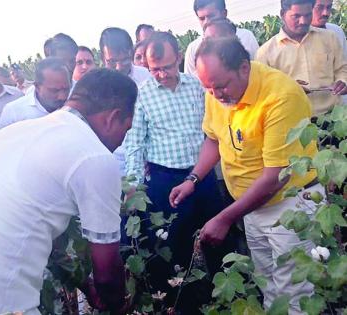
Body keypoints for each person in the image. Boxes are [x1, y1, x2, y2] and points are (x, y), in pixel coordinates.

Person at [0, 68, 138, 315]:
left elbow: (52, 241)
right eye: (127, 128)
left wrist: (85, 285)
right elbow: (107, 275)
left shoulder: (21, 131)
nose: (123, 140)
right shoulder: (94, 156)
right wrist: (118, 305)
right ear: (113, 117)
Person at [170, 37, 321, 314]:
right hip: (252, 205)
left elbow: (277, 177)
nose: (215, 94)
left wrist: (225, 217)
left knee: (295, 293)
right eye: (208, 87)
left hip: (290, 204)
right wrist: (192, 180)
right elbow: (214, 139)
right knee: (268, 283)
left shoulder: (280, 96)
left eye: (220, 86)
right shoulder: (217, 88)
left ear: (243, 67)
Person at [125, 31, 223, 313]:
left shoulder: (198, 87)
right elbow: (135, 143)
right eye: (154, 69)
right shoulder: (141, 96)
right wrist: (132, 185)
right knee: (172, 247)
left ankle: (220, 294)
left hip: (201, 177)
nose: (161, 75)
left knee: (216, 239)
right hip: (165, 181)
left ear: (179, 58)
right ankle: (181, 303)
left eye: (167, 67)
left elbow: (212, 133)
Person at [256, 0, 347, 116]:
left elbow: (342, 68)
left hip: (333, 117)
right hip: (293, 122)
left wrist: (343, 81)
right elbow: (263, 92)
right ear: (282, 14)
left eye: (308, 15)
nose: (303, 21)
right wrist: (289, 90)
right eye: (296, 16)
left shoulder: (330, 38)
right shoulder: (265, 53)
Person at [99, 27, 151, 175]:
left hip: (148, 163)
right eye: (112, 61)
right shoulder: (96, 86)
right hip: (113, 166)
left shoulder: (146, 77)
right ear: (103, 58)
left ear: (131, 52)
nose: (119, 67)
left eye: (124, 60)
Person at [184, 0, 259, 78]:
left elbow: (258, 70)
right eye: (202, 18)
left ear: (224, 13)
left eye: (211, 16)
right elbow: (191, 83)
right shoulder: (193, 49)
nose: (206, 21)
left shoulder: (246, 37)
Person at [0, 58, 70, 129]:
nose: (62, 96)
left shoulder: (75, 108)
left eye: (66, 89)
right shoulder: (13, 112)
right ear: (37, 87)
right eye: (54, 91)